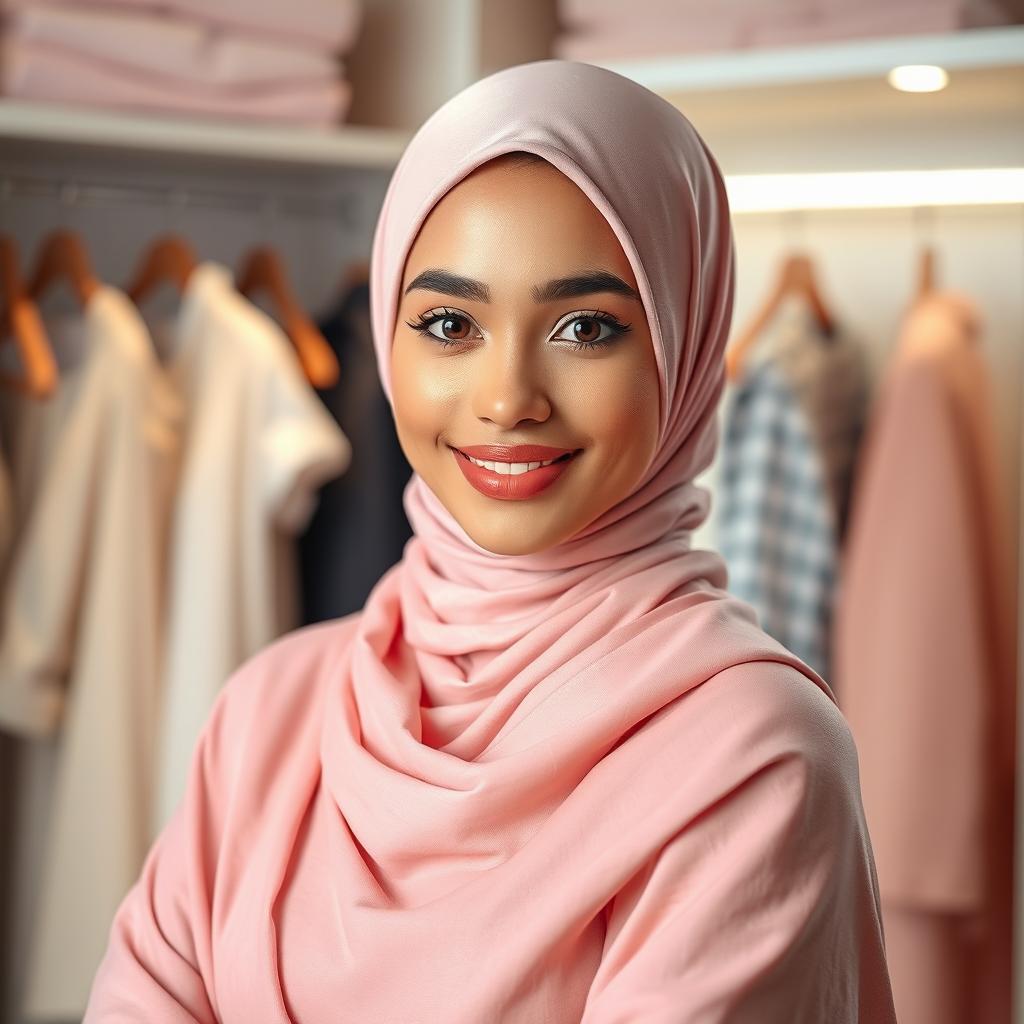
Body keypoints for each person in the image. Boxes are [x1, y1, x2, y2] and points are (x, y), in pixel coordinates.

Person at [84, 59, 897, 1022]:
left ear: (683, 349)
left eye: (587, 327)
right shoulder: (271, 713)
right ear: (388, 336)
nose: (508, 398)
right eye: (448, 323)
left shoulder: (754, 759)